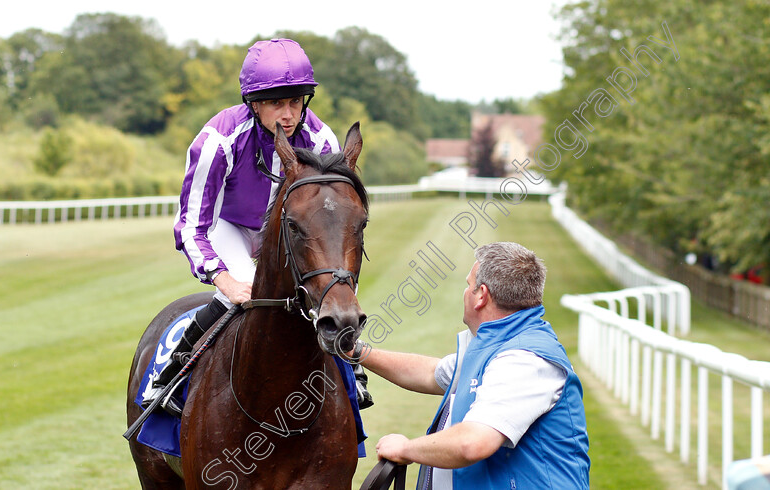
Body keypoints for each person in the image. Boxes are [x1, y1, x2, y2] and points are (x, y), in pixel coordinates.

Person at [142, 38, 373, 413]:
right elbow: (190, 225)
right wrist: (223, 279)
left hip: (289, 230)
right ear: (253, 103)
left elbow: (333, 217)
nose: (288, 114)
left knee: (326, 286)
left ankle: (349, 368)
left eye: (295, 102)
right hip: (229, 227)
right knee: (250, 292)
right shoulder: (219, 139)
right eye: (276, 103)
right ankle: (169, 375)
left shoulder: (321, 139)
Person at [349, 242, 590, 489]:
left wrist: (406, 449)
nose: (465, 292)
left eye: (468, 285)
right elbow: (432, 373)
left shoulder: (524, 359)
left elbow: (473, 442)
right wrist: (356, 351)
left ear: (481, 296)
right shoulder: (498, 345)